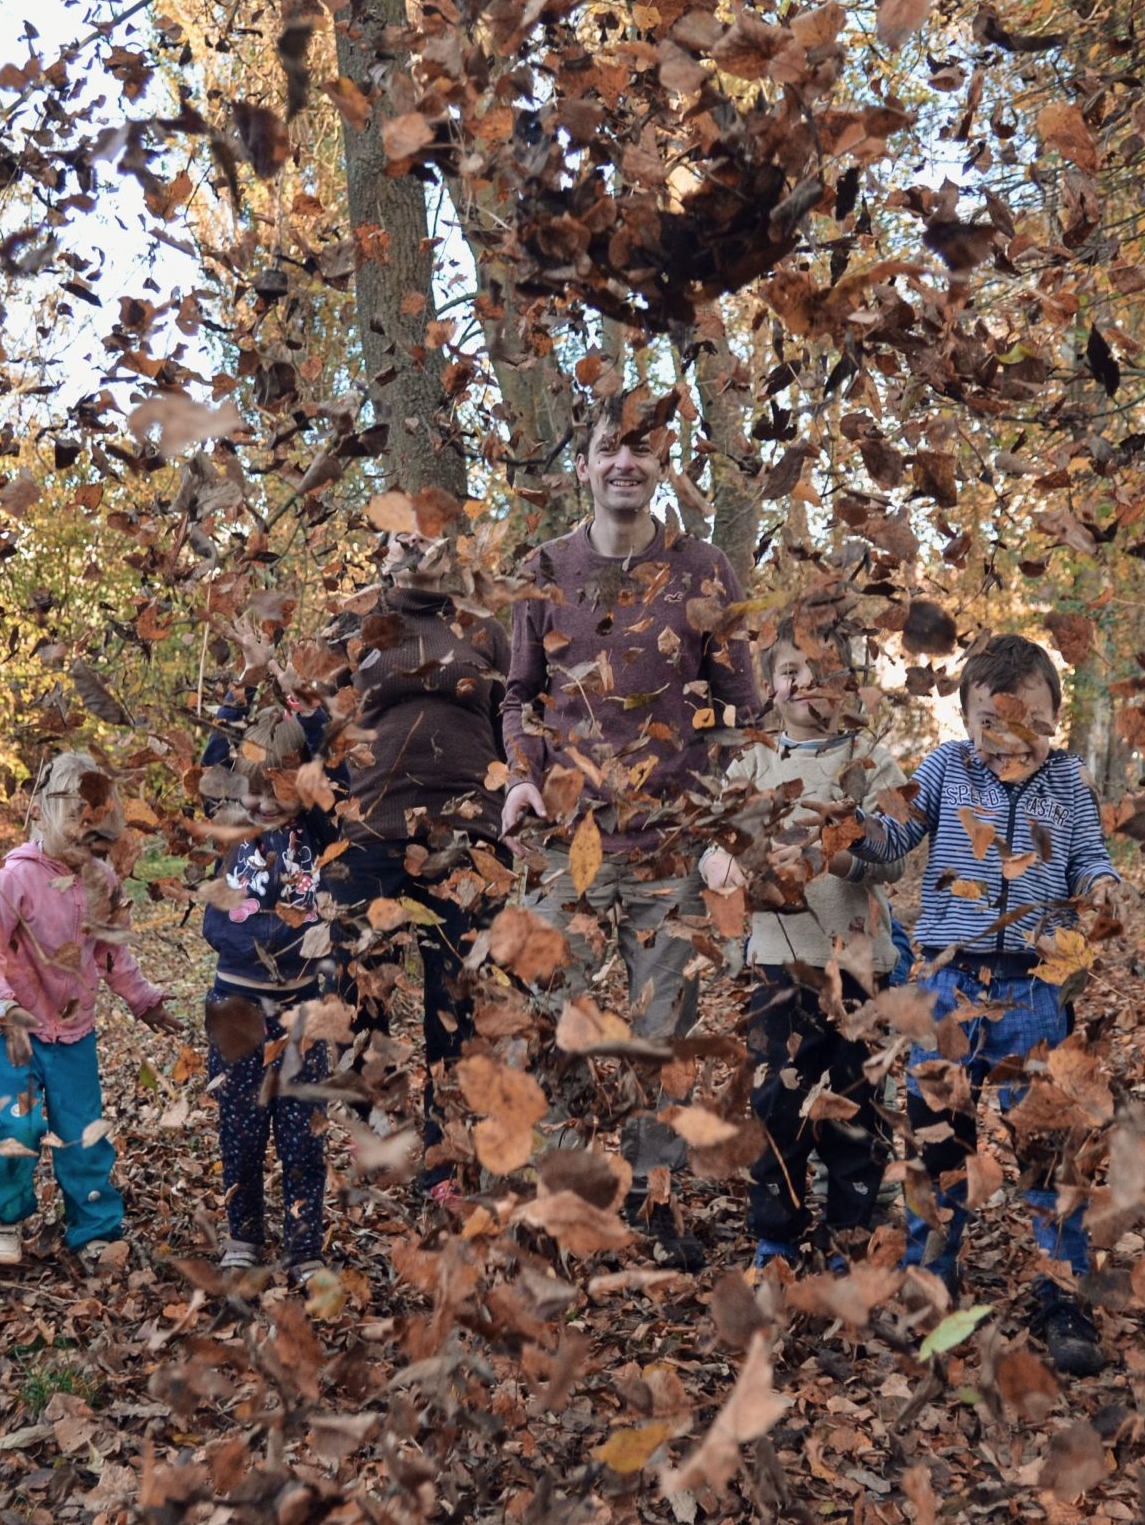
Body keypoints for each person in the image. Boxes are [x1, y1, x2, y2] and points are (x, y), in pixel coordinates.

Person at [501, 412, 760, 1266]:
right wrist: (525, 776)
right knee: (550, 1024)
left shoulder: (704, 569)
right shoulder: (544, 570)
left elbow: (741, 712)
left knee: (661, 1036)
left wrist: (722, 823)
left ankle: (657, 1199)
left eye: (640, 449)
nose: (624, 462)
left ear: (660, 464)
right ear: (583, 467)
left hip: (669, 851)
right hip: (564, 845)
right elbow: (517, 699)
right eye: (608, 448)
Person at [861, 631, 1124, 1375]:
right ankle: (930, 1279)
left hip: (1035, 989)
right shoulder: (946, 769)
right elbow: (894, 835)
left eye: (1029, 722)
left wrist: (1103, 887)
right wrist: (848, 831)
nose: (1010, 739)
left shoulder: (1068, 782)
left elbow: (1089, 855)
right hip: (948, 982)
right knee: (939, 1137)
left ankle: (1061, 1287)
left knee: (1049, 1142)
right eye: (991, 724)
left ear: (1054, 719)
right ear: (966, 722)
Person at [701, 633, 910, 1273]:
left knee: (857, 1104)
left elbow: (897, 856)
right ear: (771, 687)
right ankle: (777, 1234)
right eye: (790, 669)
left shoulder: (872, 764)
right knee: (776, 1104)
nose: (806, 680)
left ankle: (850, 1230)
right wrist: (720, 865)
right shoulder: (753, 766)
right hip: (777, 965)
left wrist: (834, 852)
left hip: (860, 966)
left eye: (821, 669)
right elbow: (715, 842)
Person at [323, 526, 507, 1211]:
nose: (418, 550)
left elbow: (513, 716)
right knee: (357, 984)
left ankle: (445, 1160)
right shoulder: (356, 627)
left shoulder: (483, 629)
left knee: (455, 1001)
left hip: (467, 839)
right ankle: (374, 1122)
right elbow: (318, 726)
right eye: (401, 540)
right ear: (384, 559)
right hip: (371, 834)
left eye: (430, 538)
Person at [0, 752, 182, 1271]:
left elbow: (113, 952)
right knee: (17, 1128)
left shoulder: (103, 882)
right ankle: (5, 1216)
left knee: (84, 1130)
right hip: (11, 1034)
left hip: (72, 1034)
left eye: (99, 828)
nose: (89, 838)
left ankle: (93, 1227)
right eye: (77, 819)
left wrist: (144, 1001)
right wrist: (2, 1004)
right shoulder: (9, 882)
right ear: (40, 811)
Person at [202, 710, 339, 1279]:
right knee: (240, 1126)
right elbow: (211, 764)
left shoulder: (319, 834)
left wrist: (303, 708)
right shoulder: (233, 825)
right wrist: (235, 704)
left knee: (302, 1133)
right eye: (255, 790)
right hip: (236, 1005)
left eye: (279, 789)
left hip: (301, 1010)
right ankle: (244, 1236)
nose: (265, 803)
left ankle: (305, 1247)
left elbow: (337, 763)